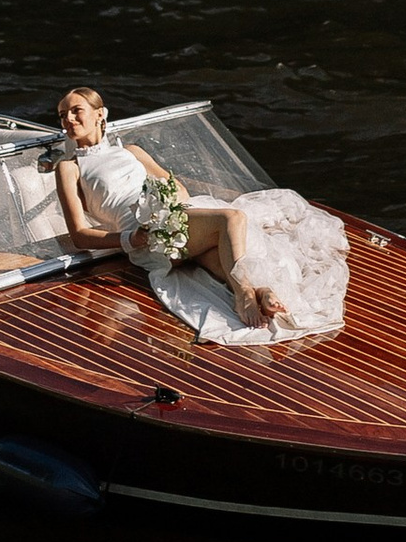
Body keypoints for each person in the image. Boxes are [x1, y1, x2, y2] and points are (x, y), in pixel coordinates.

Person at [49, 83, 348, 347]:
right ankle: (245, 295)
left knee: (218, 250)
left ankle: (260, 291)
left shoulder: (132, 151)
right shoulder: (69, 167)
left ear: (100, 114)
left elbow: (176, 186)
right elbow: (79, 235)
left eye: (76, 111)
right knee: (232, 219)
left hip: (171, 221)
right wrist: (131, 238)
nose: (69, 119)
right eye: (63, 115)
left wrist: (166, 206)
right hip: (144, 238)